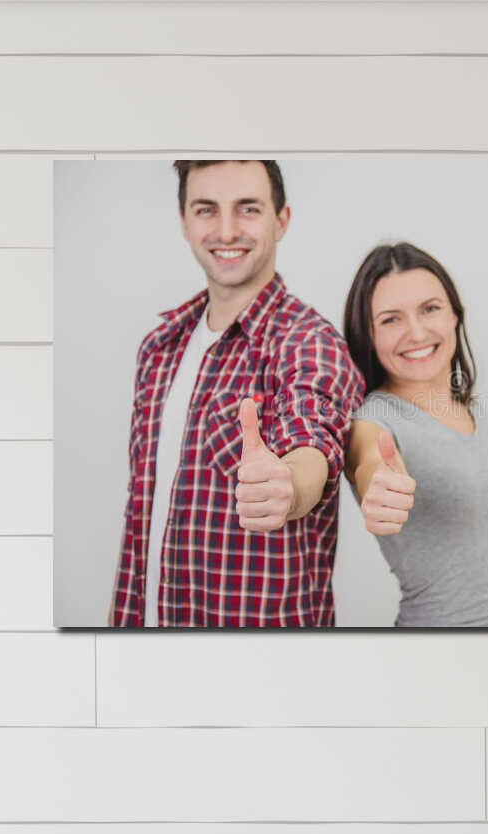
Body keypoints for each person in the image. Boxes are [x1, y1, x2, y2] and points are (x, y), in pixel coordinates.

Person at [110, 160, 364, 627]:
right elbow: (140, 516)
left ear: (281, 220)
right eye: (206, 209)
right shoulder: (159, 349)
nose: (226, 231)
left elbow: (314, 439)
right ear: (184, 222)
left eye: (248, 209)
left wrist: (289, 487)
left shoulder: (310, 344)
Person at [341, 243, 488, 628]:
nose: (416, 332)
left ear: (455, 315)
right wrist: (377, 485)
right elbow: (369, 461)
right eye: (391, 319)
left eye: (430, 309)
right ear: (368, 335)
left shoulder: (471, 410)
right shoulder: (373, 420)